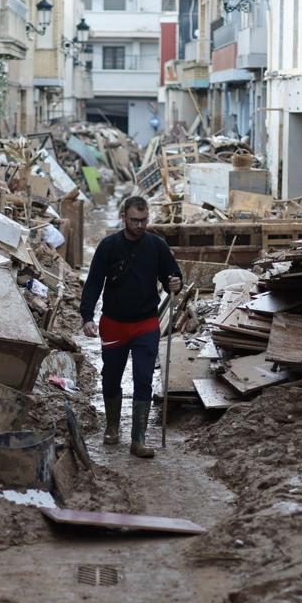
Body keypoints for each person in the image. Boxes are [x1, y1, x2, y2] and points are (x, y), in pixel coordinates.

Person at [80, 196, 182, 458]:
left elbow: (172, 274)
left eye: (144, 220)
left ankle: (138, 439)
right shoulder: (108, 246)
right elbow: (93, 283)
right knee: (111, 377)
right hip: (114, 324)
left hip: (146, 324)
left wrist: (175, 283)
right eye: (135, 220)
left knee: (144, 378)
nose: (140, 225)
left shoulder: (156, 246)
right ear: (123, 217)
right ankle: (112, 427)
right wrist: (87, 316)